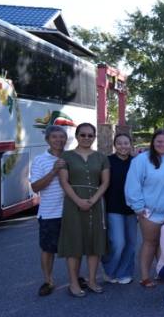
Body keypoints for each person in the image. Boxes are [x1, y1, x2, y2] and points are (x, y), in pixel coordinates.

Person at [126, 129, 164, 288]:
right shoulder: (141, 160)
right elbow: (133, 185)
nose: (163, 144)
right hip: (150, 211)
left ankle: (162, 272)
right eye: (159, 141)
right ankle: (144, 276)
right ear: (153, 142)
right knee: (150, 243)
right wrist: (138, 207)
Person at [57, 123, 110, 297]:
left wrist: (93, 200)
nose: (86, 138)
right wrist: (79, 201)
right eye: (83, 135)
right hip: (73, 204)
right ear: (77, 135)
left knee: (94, 243)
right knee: (74, 243)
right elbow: (64, 182)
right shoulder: (67, 156)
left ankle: (92, 280)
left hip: (95, 204)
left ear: (94, 137)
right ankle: (73, 283)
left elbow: (105, 182)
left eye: (90, 135)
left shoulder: (102, 157)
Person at [29, 125, 67, 296]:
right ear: (48, 140)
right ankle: (48, 281)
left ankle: (75, 277)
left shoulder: (71, 157)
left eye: (62, 137)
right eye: (54, 137)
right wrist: (54, 171)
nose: (59, 140)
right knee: (48, 249)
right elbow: (35, 187)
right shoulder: (39, 160)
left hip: (70, 212)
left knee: (73, 248)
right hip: (50, 212)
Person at [102, 133, 138, 284]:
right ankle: (110, 270)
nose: (123, 146)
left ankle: (124, 272)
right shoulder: (107, 161)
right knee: (118, 242)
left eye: (126, 143)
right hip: (114, 208)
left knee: (131, 243)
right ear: (114, 145)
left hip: (132, 209)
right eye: (119, 143)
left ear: (131, 144)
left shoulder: (136, 162)